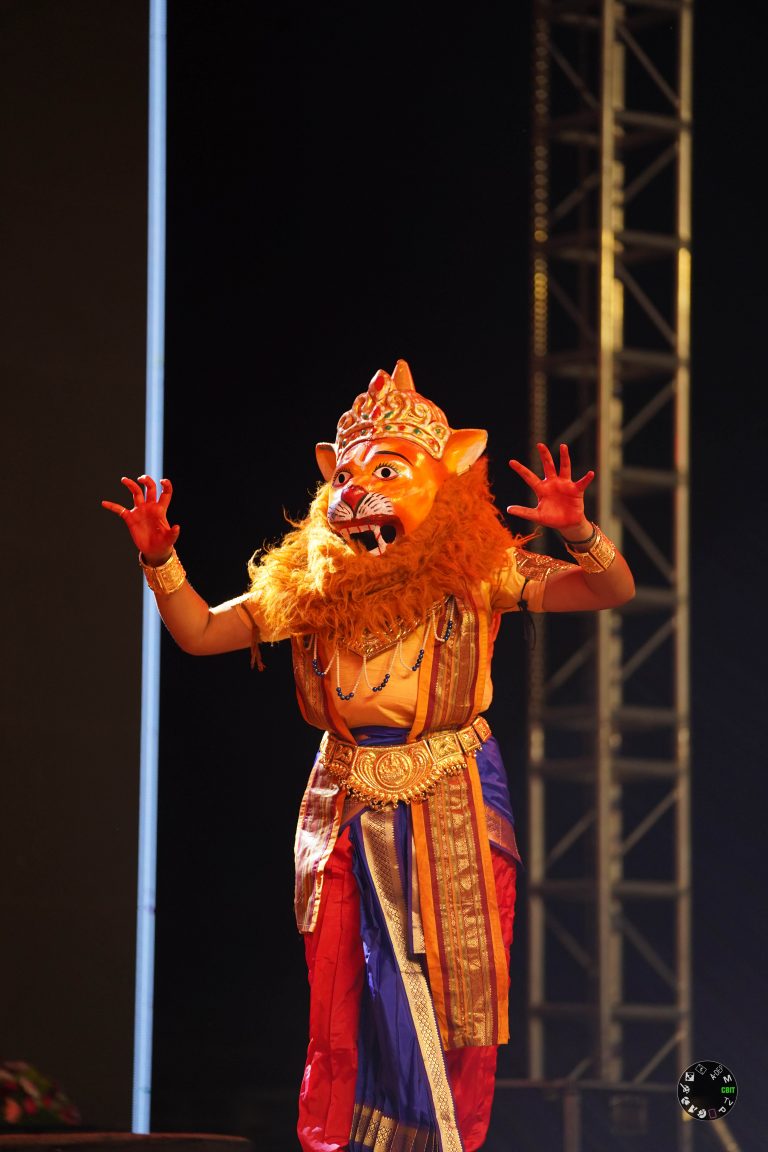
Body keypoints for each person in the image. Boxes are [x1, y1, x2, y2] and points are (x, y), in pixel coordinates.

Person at [103, 360, 634, 1152]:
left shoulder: (478, 567)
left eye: (386, 471)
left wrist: (580, 533)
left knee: (452, 986)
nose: (356, 490)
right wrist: (159, 562)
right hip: (345, 792)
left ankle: (435, 1141)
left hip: (449, 786)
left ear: (446, 480)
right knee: (342, 988)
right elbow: (201, 632)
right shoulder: (306, 586)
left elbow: (611, 590)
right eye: (346, 475)